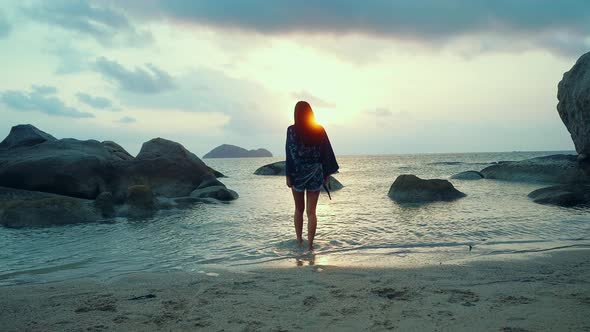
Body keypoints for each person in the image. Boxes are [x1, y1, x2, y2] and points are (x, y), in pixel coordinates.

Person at [285, 101, 339, 251]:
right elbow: (326, 152)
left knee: (298, 209)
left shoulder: (291, 131)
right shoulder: (319, 130)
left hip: (298, 173)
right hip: (315, 172)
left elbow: (290, 153)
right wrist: (327, 173)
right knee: (311, 212)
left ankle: (299, 241)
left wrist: (288, 174)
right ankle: (310, 246)